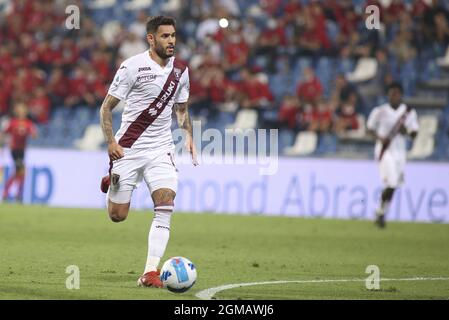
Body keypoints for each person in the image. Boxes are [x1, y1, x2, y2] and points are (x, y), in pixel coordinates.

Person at [99, 16, 197, 288]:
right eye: (165, 36)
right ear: (151, 39)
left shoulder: (181, 71)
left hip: (160, 149)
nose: (171, 41)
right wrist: (111, 142)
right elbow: (106, 107)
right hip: (128, 148)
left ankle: (150, 272)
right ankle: (112, 181)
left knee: (165, 206)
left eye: (174, 36)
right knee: (117, 216)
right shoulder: (132, 67)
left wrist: (188, 134)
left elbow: (181, 109)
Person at [367, 82, 419, 228]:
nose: (394, 96)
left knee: (393, 184)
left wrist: (406, 130)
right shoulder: (380, 111)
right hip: (384, 150)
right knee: (392, 182)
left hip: (400, 152)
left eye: (396, 93)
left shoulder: (409, 112)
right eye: (391, 93)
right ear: (388, 94)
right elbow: (369, 128)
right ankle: (380, 213)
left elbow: (414, 133)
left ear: (401, 94)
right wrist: (379, 137)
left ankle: (380, 212)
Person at [1, 102, 37, 202]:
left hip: (22, 150)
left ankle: (12, 193)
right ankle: (11, 193)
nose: (22, 113)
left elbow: (34, 134)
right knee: (20, 171)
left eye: (23, 111)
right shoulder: (13, 122)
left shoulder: (28, 123)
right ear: (17, 112)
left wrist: (33, 134)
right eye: (20, 111)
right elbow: (4, 133)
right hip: (14, 149)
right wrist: (3, 145)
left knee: (20, 172)